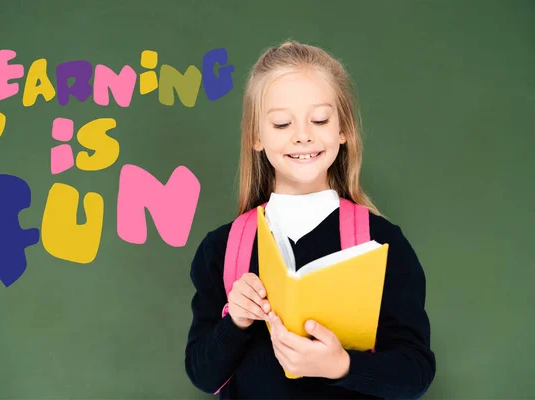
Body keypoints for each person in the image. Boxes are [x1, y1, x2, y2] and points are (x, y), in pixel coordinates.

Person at [184, 39, 436, 399]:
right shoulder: (221, 250)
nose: (303, 135)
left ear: (342, 129)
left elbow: (416, 372)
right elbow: (203, 375)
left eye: (319, 119)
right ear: (257, 135)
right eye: (282, 123)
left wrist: (342, 366)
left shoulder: (381, 243)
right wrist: (235, 321)